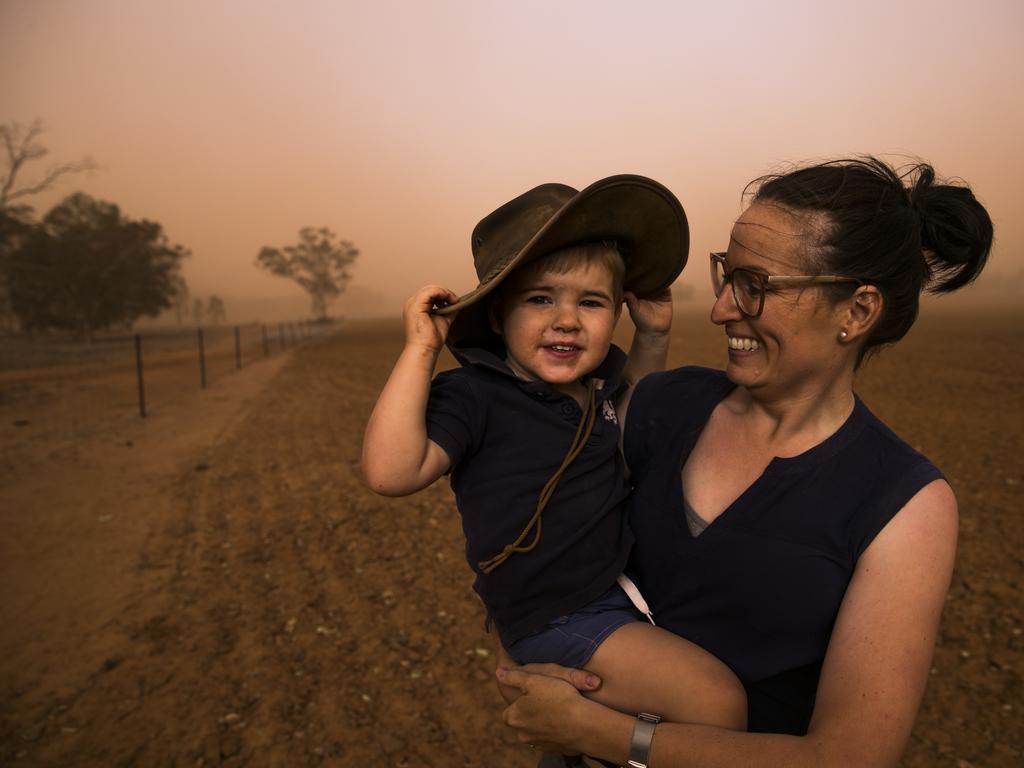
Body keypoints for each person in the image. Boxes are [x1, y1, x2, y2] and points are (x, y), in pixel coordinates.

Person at [496, 157, 993, 768]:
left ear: (857, 312)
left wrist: (597, 733)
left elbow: (852, 757)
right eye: (726, 275)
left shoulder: (904, 504)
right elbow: (539, 515)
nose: (721, 308)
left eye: (756, 286)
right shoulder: (662, 404)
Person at [362, 175, 747, 738]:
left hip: (617, 589)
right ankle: (600, 739)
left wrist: (654, 337)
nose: (566, 319)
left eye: (590, 303)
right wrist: (422, 349)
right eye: (540, 299)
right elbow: (390, 473)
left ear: (617, 311)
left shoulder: (597, 387)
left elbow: (632, 422)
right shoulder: (477, 395)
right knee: (716, 703)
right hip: (558, 615)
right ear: (497, 315)